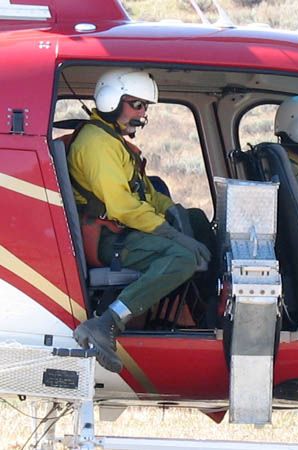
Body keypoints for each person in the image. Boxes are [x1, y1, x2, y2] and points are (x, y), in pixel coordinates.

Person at [68, 68, 214, 372]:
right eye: (137, 105)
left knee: (197, 220)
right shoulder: (97, 144)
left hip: (123, 229)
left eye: (145, 107)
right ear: (112, 101)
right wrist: (172, 235)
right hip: (109, 238)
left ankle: (210, 313)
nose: (142, 114)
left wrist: (173, 212)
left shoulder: (113, 142)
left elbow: (145, 194)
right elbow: (122, 206)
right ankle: (107, 322)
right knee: (182, 258)